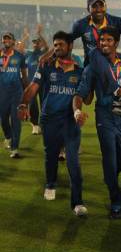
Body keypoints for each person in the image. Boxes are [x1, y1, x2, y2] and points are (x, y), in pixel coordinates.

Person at [73, 27, 121, 219]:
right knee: (110, 159)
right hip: (105, 116)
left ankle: (118, 173)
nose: (104, 43)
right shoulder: (92, 67)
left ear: (116, 43)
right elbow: (80, 94)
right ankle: (116, 201)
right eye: (101, 40)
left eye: (109, 40)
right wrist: (77, 110)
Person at [18, 32, 87, 215]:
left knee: (73, 161)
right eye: (55, 45)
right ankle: (50, 183)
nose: (57, 48)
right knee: (51, 155)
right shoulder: (46, 67)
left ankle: (78, 203)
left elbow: (83, 97)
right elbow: (33, 87)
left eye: (60, 45)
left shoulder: (80, 72)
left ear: (70, 47)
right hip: (49, 120)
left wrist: (78, 110)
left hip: (70, 122)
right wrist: (24, 104)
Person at [0, 32, 27, 158]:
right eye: (4, 38)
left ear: (13, 41)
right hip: (2, 93)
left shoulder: (20, 56)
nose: (6, 40)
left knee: (16, 120)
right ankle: (9, 137)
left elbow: (24, 74)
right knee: (3, 119)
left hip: (16, 92)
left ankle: (15, 148)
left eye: (8, 38)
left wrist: (27, 91)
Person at [25, 25, 49, 135]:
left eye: (37, 42)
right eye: (34, 42)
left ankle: (43, 124)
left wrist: (40, 34)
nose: (35, 44)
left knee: (44, 104)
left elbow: (47, 47)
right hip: (33, 84)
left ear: (40, 44)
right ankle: (35, 125)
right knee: (33, 104)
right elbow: (18, 50)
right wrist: (25, 37)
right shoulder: (28, 55)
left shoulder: (44, 53)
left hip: (43, 84)